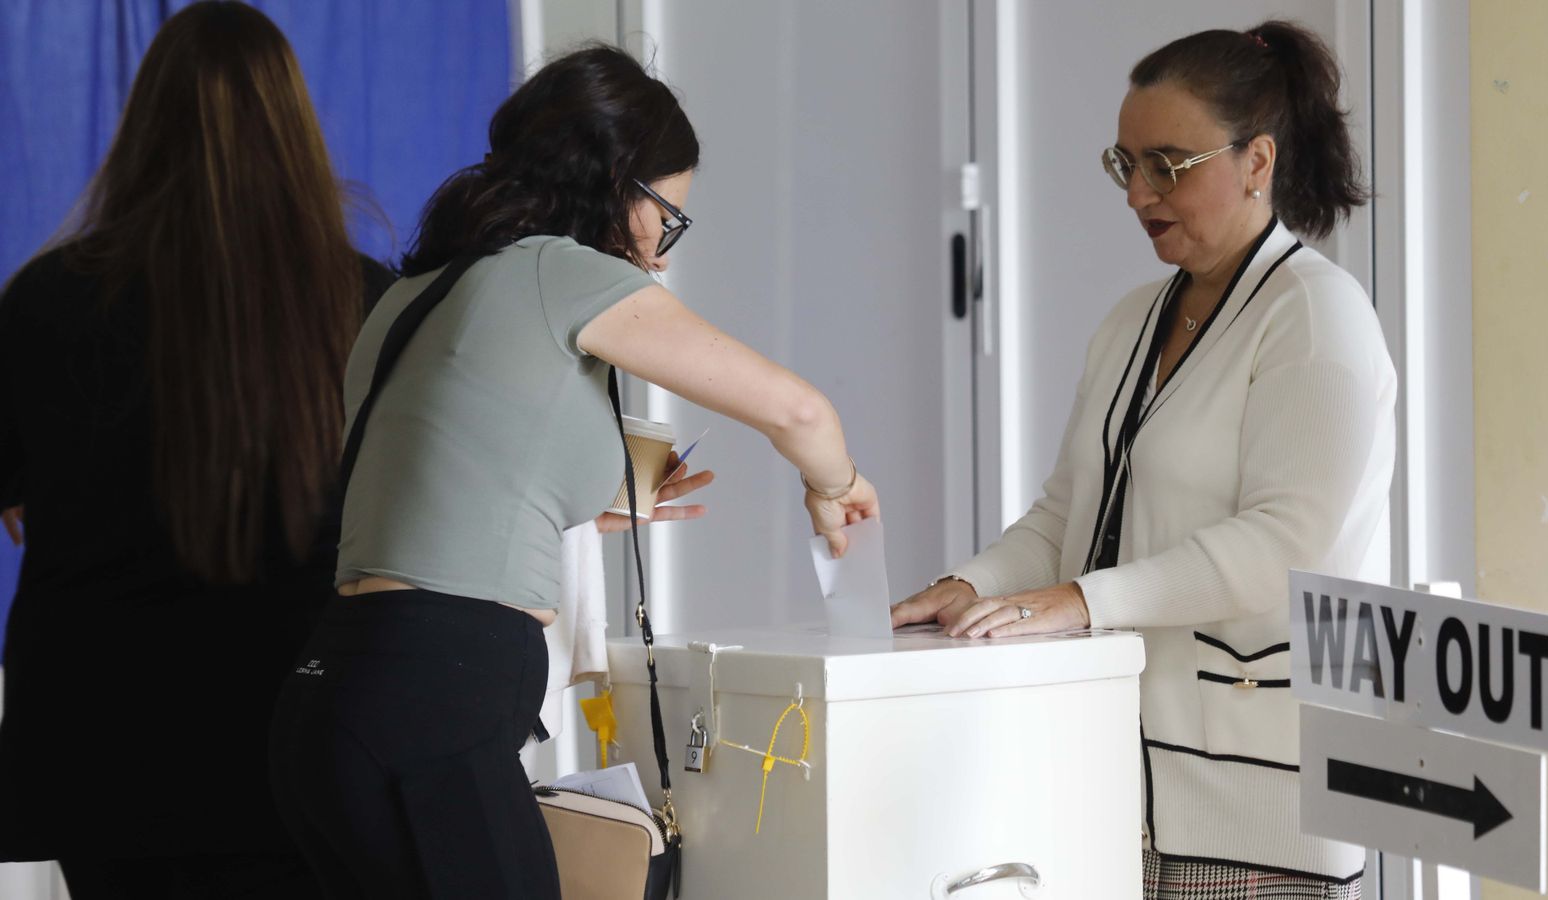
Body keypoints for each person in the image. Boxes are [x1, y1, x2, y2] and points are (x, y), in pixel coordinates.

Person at [267, 44, 879, 898]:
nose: (662, 254)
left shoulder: (416, 294)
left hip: (333, 694)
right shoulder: (557, 270)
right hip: (432, 701)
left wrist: (588, 508)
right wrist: (835, 485)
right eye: (666, 216)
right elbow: (800, 412)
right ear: (616, 182)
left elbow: (427, 479)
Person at [893, 21, 1392, 899]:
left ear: (1257, 161)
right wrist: (974, 586)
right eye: (1126, 164)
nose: (1138, 193)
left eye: (1169, 164)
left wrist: (1085, 602)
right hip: (1113, 793)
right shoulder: (1132, 319)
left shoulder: (1318, 315)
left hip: (1262, 818)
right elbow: (1067, 516)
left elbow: (1288, 547)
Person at [0, 3, 396, 897]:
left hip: (102, 746)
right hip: (303, 732)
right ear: (295, 129)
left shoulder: (47, 299)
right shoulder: (365, 302)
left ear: (143, 131)